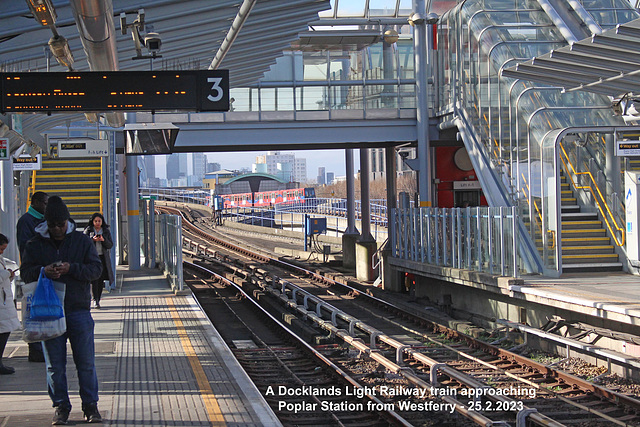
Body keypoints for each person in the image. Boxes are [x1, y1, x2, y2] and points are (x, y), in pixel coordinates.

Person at [20, 196, 103, 425]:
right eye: (53, 225)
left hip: (78, 310)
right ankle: (61, 407)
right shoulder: (34, 244)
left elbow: (96, 270)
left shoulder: (81, 241)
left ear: (68, 221)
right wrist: (43, 271)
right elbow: (25, 273)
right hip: (48, 313)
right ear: (46, 223)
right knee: (54, 366)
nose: (57, 229)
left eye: (61, 224)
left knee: (86, 363)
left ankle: (91, 407)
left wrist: (71, 268)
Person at [16, 191, 49, 363]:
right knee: (34, 311)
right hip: (34, 272)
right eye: (44, 203)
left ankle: (43, 347)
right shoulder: (26, 221)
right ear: (35, 202)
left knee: (44, 310)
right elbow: (26, 248)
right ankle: (35, 350)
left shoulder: (43, 220)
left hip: (44, 272)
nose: (46, 206)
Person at [83, 213, 114, 309]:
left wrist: (103, 240)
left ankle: (98, 299)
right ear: (92, 222)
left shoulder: (105, 231)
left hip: (102, 258)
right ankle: (94, 298)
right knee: (93, 279)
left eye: (99, 221)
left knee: (100, 280)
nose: (97, 223)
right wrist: (92, 240)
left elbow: (110, 245)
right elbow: (83, 243)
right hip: (91, 258)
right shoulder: (88, 230)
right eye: (95, 221)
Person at [0, 234, 20, 375]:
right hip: (2, 302)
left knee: (5, 329)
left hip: (4, 299)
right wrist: (6, 274)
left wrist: (9, 275)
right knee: (4, 329)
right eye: (1, 249)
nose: (2, 252)